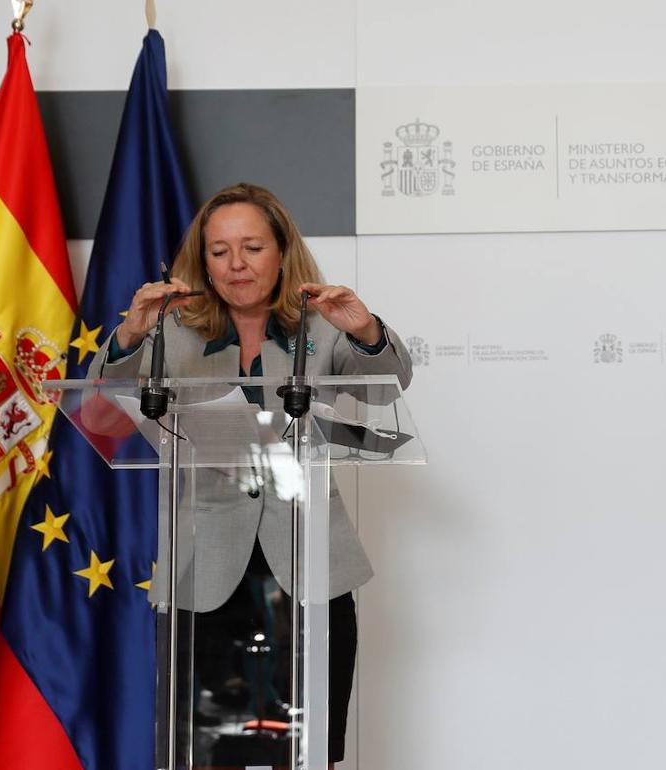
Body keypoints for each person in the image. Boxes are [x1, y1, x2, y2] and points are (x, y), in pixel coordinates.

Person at [90, 182, 413, 769]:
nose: (236, 263)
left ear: (282, 252)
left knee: (309, 750)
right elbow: (97, 411)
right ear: (203, 262)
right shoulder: (171, 331)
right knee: (207, 751)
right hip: (204, 572)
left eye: (252, 247)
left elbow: (388, 386)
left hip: (309, 567)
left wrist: (365, 330)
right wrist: (131, 333)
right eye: (220, 251)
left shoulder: (323, 325)